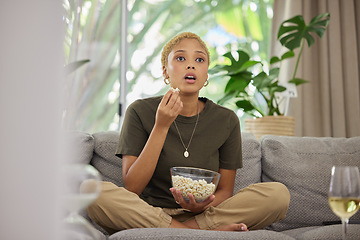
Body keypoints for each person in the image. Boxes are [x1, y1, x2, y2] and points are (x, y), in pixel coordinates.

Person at [87, 32, 290, 234]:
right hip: (148, 213)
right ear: (166, 72)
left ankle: (179, 232)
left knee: (278, 195)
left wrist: (201, 206)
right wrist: (161, 126)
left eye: (199, 59)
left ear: (206, 75)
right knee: (92, 191)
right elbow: (133, 187)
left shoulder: (226, 120)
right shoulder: (139, 111)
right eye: (181, 58)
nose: (191, 65)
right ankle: (201, 235)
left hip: (204, 216)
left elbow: (225, 191)